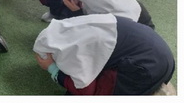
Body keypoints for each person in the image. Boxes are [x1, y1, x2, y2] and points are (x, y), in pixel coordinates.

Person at [33, 14, 175, 95]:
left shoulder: (73, 51)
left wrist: (52, 68)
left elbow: (86, 91)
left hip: (145, 69)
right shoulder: (77, 25)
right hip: (161, 57)